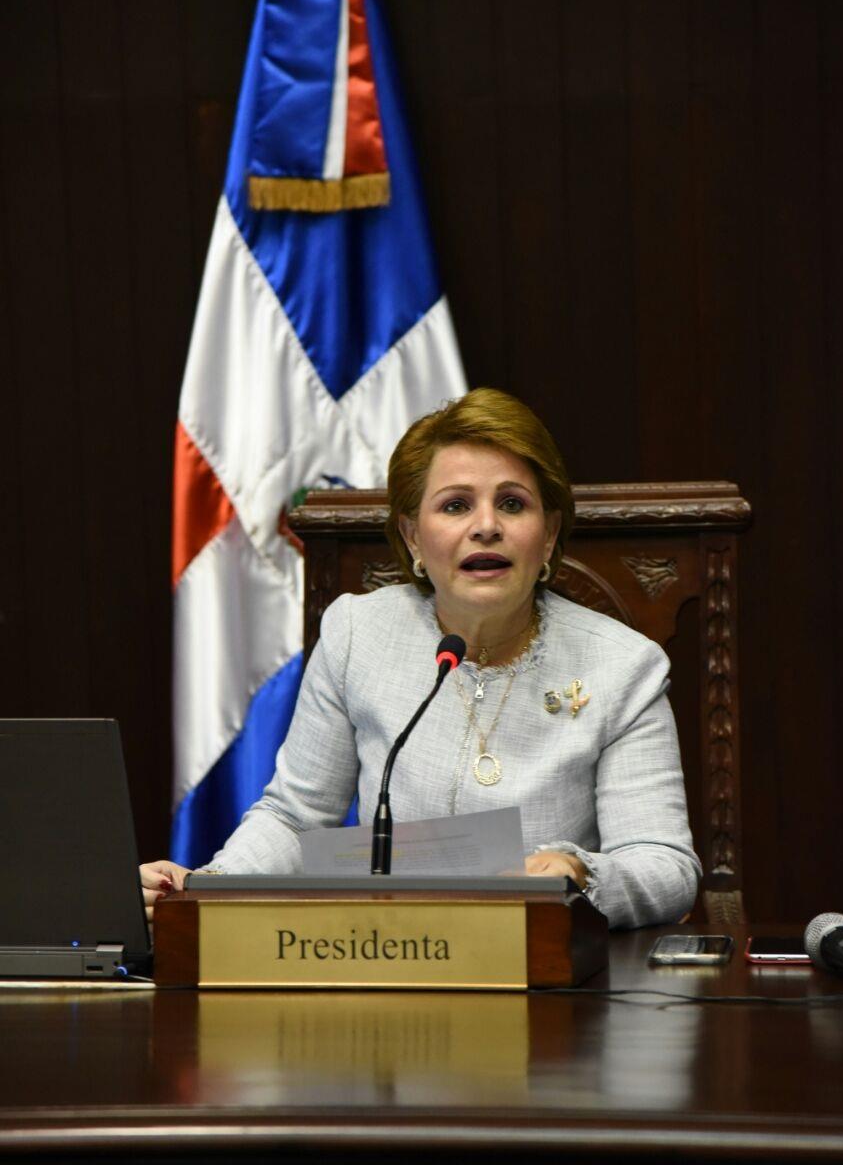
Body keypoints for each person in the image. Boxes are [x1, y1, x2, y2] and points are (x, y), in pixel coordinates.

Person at [142, 389, 701, 929]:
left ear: (549, 533)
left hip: (548, 982)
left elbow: (664, 866)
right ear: (412, 536)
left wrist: (579, 873)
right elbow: (294, 820)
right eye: (456, 505)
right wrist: (207, 889)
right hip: (385, 961)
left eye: (513, 503)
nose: (487, 525)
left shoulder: (625, 668)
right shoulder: (358, 634)